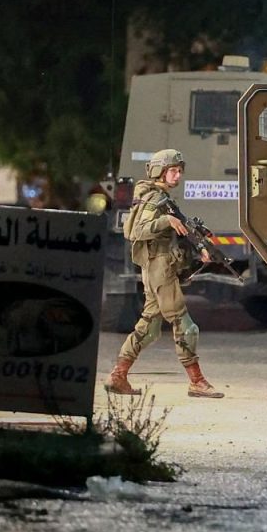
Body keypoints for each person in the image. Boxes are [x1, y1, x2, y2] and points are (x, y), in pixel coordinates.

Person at [105, 149, 224, 399]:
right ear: (159, 171)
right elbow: (137, 231)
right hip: (160, 268)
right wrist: (166, 221)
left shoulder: (161, 197)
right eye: (173, 171)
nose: (178, 175)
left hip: (157, 267)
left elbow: (180, 230)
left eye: (179, 171)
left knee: (149, 326)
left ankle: (118, 376)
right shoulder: (153, 199)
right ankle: (197, 381)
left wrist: (201, 247)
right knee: (185, 326)